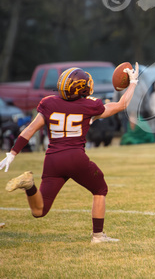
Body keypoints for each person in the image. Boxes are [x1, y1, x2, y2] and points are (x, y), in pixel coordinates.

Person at [0, 63, 139, 243]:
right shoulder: (90, 106)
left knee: (39, 211)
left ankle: (29, 186)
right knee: (100, 189)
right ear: (81, 89)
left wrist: (12, 153)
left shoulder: (48, 103)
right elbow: (122, 104)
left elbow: (29, 130)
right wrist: (133, 82)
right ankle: (98, 236)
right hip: (75, 158)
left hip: (52, 160)